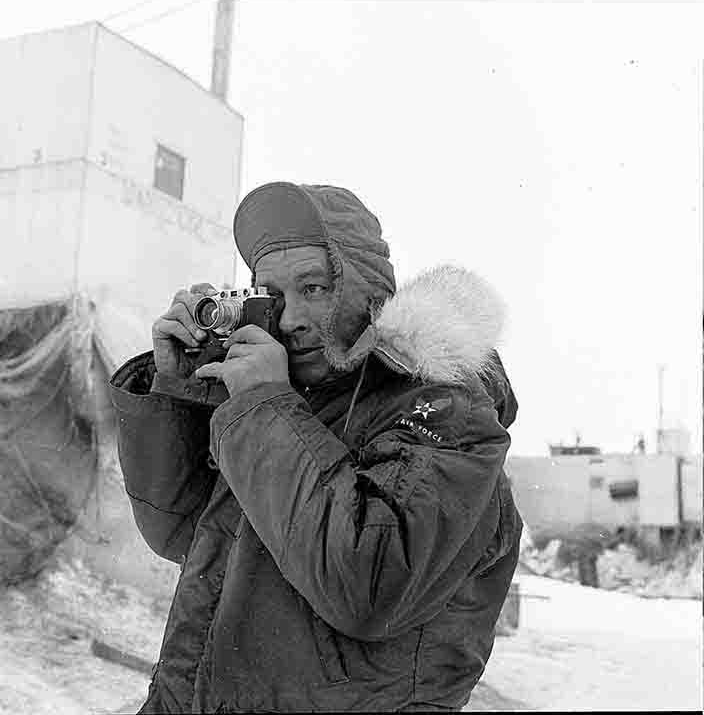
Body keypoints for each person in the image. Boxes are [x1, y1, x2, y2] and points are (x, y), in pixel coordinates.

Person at [109, 181, 522, 713]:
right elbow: (181, 534)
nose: (289, 319)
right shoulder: (285, 403)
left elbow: (368, 586)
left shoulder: (444, 410)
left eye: (315, 288)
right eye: (272, 294)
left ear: (366, 287)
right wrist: (178, 390)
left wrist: (264, 406)